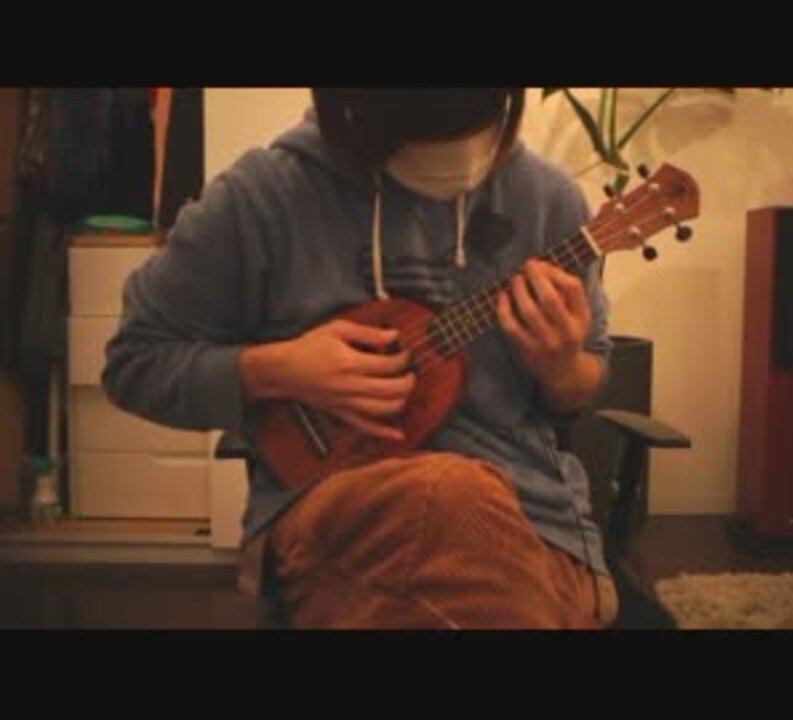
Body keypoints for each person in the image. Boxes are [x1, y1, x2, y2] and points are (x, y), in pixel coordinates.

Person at [102, 87, 619, 629]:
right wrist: (277, 369)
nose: (453, 163)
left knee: (459, 525)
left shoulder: (550, 200)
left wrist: (562, 368)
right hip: (333, 515)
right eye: (421, 145)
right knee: (444, 498)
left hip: (533, 521)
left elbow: (585, 380)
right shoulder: (262, 198)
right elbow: (135, 361)